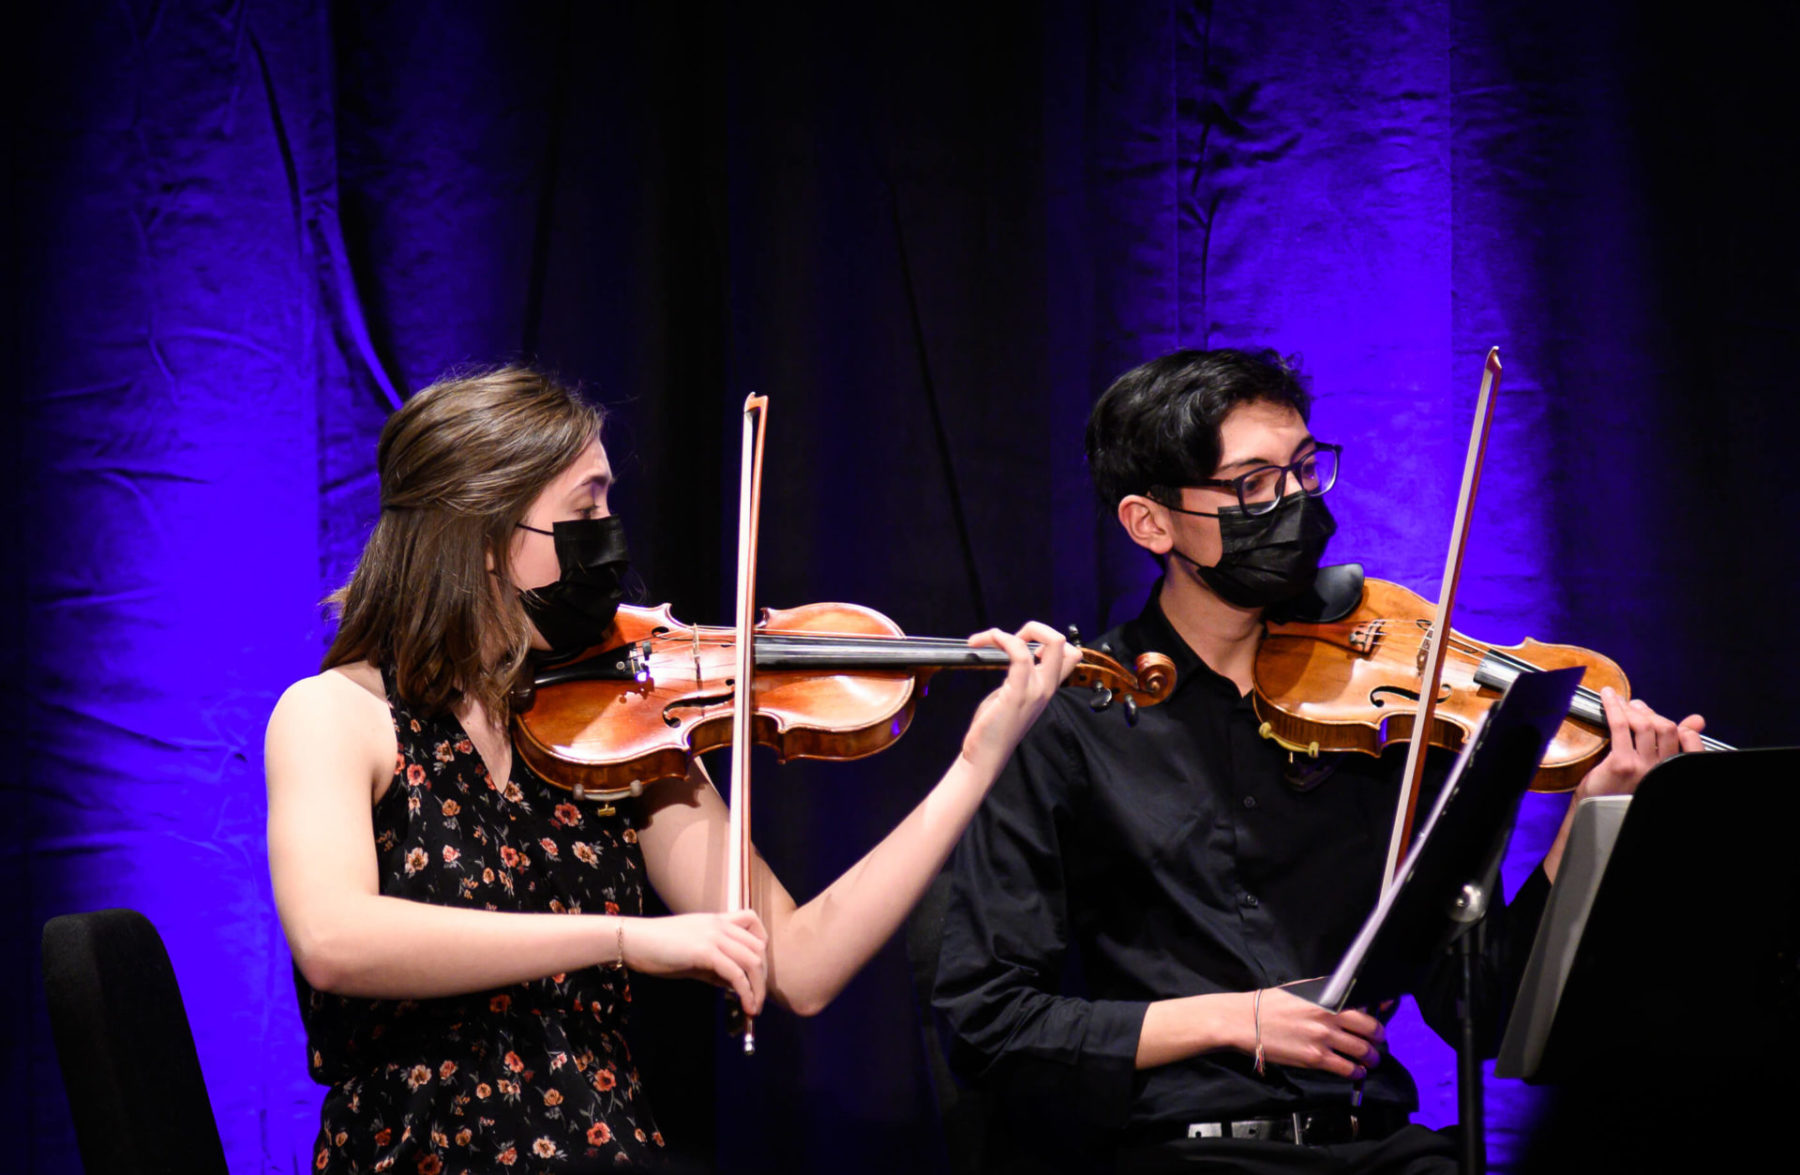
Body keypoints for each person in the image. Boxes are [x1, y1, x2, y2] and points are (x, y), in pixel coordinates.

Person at [265, 365, 1080, 1172]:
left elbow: (798, 963)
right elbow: (337, 940)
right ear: (482, 540)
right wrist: (626, 938)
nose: (610, 533)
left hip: (606, 1147)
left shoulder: (620, 723)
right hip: (419, 1152)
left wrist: (977, 760)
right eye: (584, 508)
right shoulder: (334, 715)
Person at [931, 349, 1707, 1173]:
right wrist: (1236, 1018)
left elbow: (1478, 1001)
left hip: (1382, 1149)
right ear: (1149, 522)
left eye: (1304, 469)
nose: (1296, 502)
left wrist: (1594, 815)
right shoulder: (1073, 719)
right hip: (1180, 1152)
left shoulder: (1384, 711)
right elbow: (990, 1020)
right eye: (1254, 485)